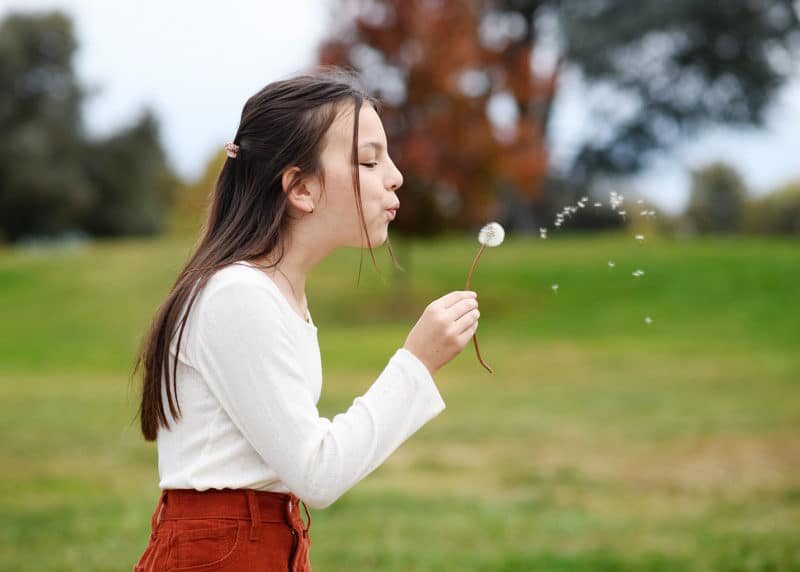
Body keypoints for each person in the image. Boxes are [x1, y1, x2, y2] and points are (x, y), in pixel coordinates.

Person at [132, 70, 480, 571]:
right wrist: (416, 363)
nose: (395, 175)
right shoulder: (238, 295)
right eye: (368, 160)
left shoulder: (275, 294)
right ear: (300, 188)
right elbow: (317, 474)